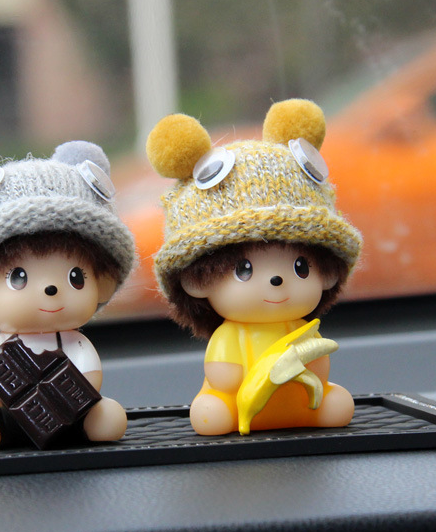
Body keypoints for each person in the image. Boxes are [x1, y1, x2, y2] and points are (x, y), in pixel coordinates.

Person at [146, 99, 362, 436]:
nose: (276, 280)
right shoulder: (232, 335)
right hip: (240, 408)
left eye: (301, 267)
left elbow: (318, 367)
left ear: (328, 274)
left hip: (302, 403)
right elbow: (224, 376)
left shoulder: (300, 330)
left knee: (338, 403)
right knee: (212, 412)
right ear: (197, 280)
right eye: (244, 270)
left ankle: (317, 409)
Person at [0, 131, 135, 450]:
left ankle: (94, 421)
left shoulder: (75, 344)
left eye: (76, 277)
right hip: (9, 419)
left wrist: (69, 393)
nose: (51, 289)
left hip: (70, 417)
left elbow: (90, 379)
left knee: (105, 415)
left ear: (102, 283)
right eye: (18, 277)